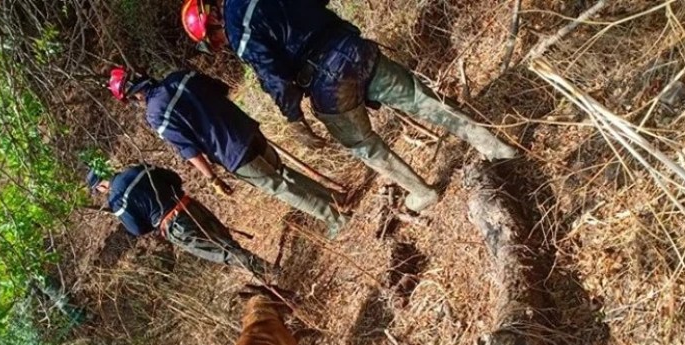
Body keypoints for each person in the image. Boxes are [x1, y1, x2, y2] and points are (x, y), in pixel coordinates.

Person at [180, 0, 517, 213]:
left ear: (213, 23)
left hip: (328, 81)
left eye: (215, 40)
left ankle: (422, 193)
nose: (222, 44)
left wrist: (294, 118)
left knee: (363, 145)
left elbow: (274, 78)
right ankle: (493, 145)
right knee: (421, 100)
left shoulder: (240, 30)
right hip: (354, 48)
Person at [107, 67, 349, 239]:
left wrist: (212, 178)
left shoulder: (155, 113)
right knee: (282, 172)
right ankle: (337, 199)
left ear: (133, 95)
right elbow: (222, 88)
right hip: (247, 128)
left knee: (278, 186)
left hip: (231, 151)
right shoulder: (182, 76)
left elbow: (188, 148)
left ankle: (335, 218)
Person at [87, 163, 272, 276]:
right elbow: (174, 178)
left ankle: (271, 273)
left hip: (174, 225)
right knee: (226, 242)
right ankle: (265, 274)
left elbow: (137, 229)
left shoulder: (116, 200)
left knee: (221, 252)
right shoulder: (139, 169)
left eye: (98, 190)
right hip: (188, 204)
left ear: (101, 185)